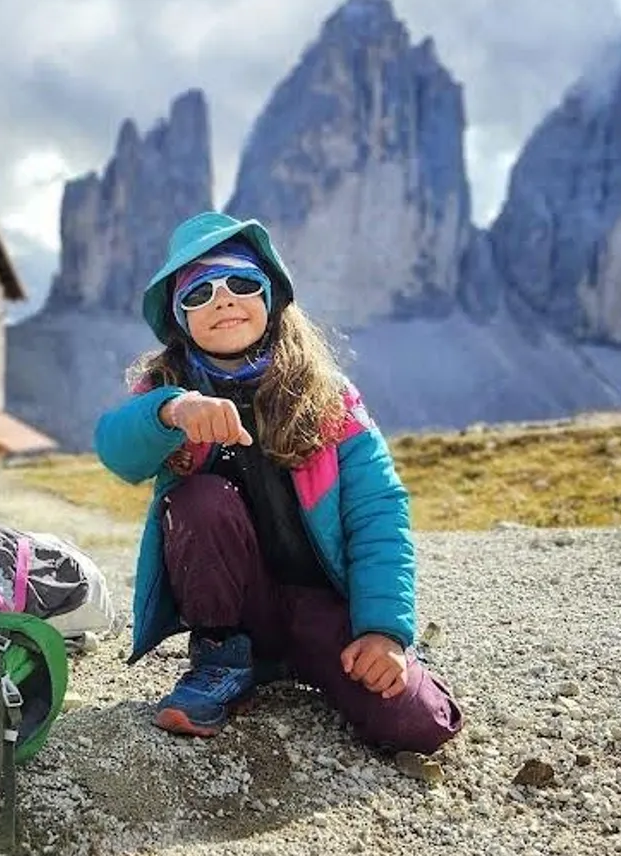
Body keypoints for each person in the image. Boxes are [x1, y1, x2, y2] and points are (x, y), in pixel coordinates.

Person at [93, 211, 463, 754]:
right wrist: (172, 411)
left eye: (242, 283)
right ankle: (224, 658)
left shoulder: (330, 396)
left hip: (322, 609)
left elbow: (379, 511)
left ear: (271, 297)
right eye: (199, 292)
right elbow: (115, 449)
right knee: (198, 500)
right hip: (244, 613)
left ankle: (302, 660)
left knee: (419, 723)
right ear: (178, 317)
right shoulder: (166, 389)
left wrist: (383, 630)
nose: (223, 300)